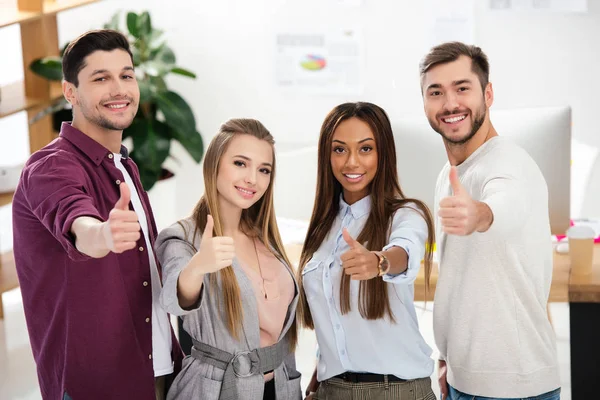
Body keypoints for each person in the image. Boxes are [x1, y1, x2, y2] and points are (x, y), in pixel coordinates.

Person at [11, 30, 182, 400]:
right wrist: (101, 235)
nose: (119, 89)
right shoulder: (49, 167)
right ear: (70, 92)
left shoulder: (123, 166)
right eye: (100, 78)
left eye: (126, 75)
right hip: (97, 386)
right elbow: (74, 219)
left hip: (156, 371)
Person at [419, 41, 561, 400]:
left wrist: (480, 214)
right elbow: (463, 280)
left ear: (488, 94)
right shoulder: (448, 174)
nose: (450, 103)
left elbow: (503, 205)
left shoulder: (510, 164)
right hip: (463, 380)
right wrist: (449, 357)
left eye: (462, 88)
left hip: (512, 386)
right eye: (436, 92)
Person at [298, 102, 437, 400]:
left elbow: (405, 251)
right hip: (332, 389)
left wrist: (379, 262)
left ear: (383, 153)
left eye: (365, 149)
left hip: (396, 391)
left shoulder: (405, 215)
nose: (351, 162)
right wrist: (322, 370)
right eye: (339, 149)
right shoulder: (322, 226)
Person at [155, 119, 301, 400]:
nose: (252, 179)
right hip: (214, 390)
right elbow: (174, 299)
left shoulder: (267, 237)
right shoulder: (182, 237)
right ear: (214, 164)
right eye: (240, 163)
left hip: (280, 387)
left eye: (264, 170)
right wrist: (198, 266)